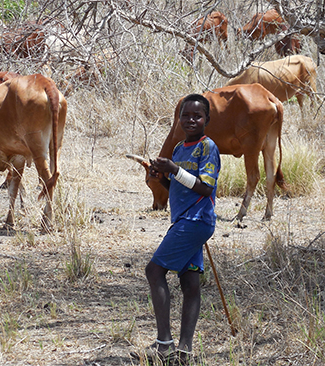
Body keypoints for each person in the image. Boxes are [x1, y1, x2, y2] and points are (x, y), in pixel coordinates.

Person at [140, 93, 220, 365]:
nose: (191, 120)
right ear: (178, 119)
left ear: (207, 119)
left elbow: (205, 187)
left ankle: (164, 345)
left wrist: (173, 169)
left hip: (196, 221)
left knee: (154, 270)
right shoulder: (177, 149)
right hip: (186, 219)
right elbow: (177, 190)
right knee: (190, 283)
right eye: (185, 115)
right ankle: (184, 351)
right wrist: (160, 178)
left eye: (197, 116)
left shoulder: (207, 147)